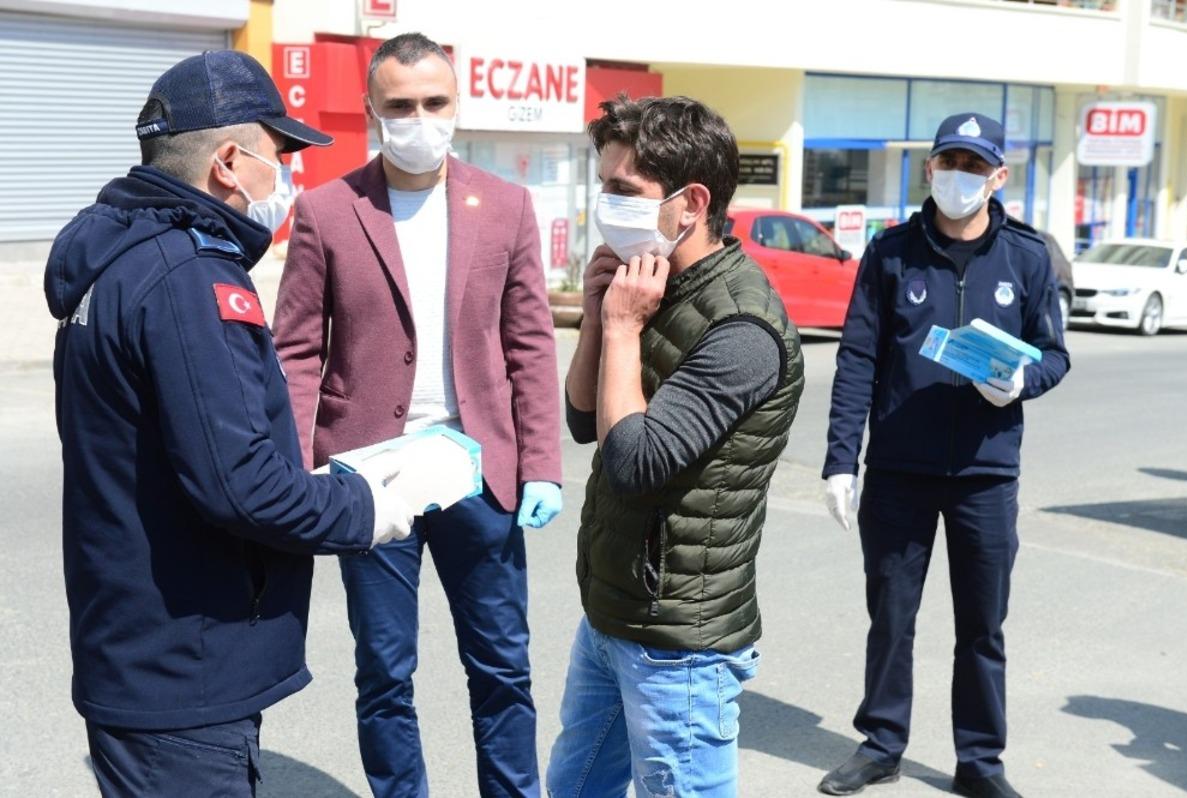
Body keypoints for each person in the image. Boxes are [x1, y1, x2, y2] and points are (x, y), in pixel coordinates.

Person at [45, 50, 414, 797]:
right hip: (183, 669)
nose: (283, 176)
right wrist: (371, 507)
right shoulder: (189, 278)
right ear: (227, 164)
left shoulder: (119, 261)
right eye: (276, 156)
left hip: (140, 648)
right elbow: (242, 486)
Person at [272, 33, 562, 798]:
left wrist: (541, 465)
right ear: (371, 111)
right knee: (384, 671)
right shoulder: (327, 211)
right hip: (372, 476)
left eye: (434, 102)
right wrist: (300, 469)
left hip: (477, 468)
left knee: (502, 665)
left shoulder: (505, 206)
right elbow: (296, 351)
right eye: (400, 105)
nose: (418, 118)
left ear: (456, 105)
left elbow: (529, 345)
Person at [545, 94, 805, 798]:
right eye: (602, 185)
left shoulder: (743, 327)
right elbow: (580, 419)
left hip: (677, 643)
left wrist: (626, 329)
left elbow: (631, 461)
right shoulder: (653, 283)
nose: (606, 204)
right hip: (612, 613)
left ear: (691, 203)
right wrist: (601, 324)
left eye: (623, 190)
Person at [818, 112, 1070, 798]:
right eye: (947, 162)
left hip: (986, 476)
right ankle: (881, 743)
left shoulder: (1027, 256)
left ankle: (980, 762)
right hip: (900, 471)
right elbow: (858, 360)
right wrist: (842, 460)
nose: (958, 176)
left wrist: (1022, 381)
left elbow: (1055, 354)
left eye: (972, 165)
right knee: (892, 617)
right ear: (928, 169)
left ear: (998, 176)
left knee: (982, 627)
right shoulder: (892, 252)